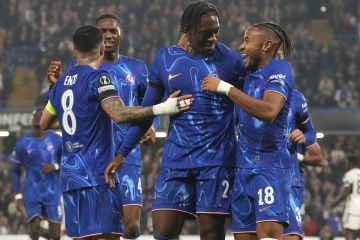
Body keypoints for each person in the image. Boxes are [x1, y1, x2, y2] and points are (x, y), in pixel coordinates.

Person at [104, 1, 244, 239]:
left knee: (211, 233)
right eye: (206, 33)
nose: (213, 38)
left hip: (217, 163)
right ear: (188, 29)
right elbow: (145, 112)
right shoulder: (165, 59)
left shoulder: (231, 61)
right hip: (176, 161)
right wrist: (121, 155)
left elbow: (247, 104)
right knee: (163, 231)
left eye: (216, 31)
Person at [40, 24, 193, 239]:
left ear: (74, 51)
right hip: (98, 175)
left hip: (70, 179)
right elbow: (119, 114)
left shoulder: (59, 84)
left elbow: (45, 123)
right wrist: (164, 107)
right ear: (101, 50)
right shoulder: (99, 78)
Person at [47, 13, 156, 240]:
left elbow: (149, 102)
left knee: (132, 228)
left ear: (121, 34)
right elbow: (73, 112)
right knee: (104, 231)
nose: (108, 35)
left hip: (128, 155)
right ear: (96, 39)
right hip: (95, 157)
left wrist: (149, 125)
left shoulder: (136, 68)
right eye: (103, 31)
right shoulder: (83, 73)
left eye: (113, 31)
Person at [202, 22, 295, 240]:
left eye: (246, 40)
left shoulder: (280, 69)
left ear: (266, 45)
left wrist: (225, 88)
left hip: (269, 168)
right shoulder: (246, 74)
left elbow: (270, 110)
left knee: (270, 236)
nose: (241, 46)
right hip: (241, 170)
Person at [11, 106, 62, 240]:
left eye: (42, 115)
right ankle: (41, 233)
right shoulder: (22, 143)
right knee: (34, 231)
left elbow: (69, 162)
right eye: (36, 115)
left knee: (56, 235)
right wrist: (17, 196)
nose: (39, 117)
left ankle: (46, 234)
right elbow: (15, 170)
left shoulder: (57, 140)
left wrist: (55, 166)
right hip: (32, 192)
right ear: (31, 119)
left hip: (53, 193)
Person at [284, 89, 324, 240]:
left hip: (293, 184)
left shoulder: (298, 127)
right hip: (266, 176)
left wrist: (298, 157)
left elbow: (318, 158)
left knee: (291, 232)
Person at [329, 155, 360, 240]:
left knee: (348, 230)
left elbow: (345, 194)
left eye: (347, 162)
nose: (346, 164)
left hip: (353, 206)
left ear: (351, 163)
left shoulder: (349, 174)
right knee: (356, 232)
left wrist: (334, 203)